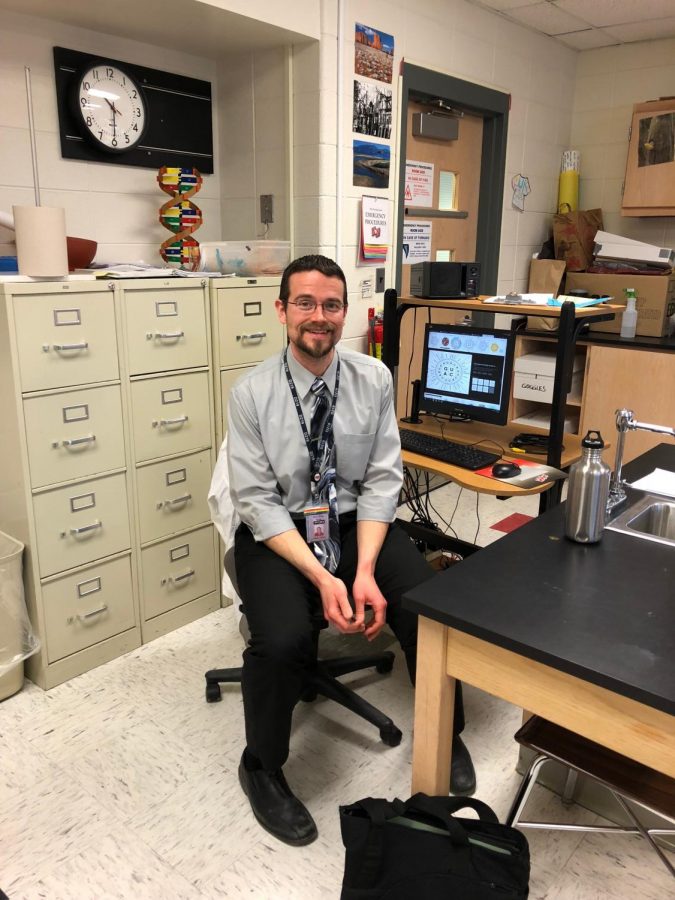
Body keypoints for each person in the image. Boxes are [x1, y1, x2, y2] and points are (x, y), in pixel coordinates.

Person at [225, 254, 475, 846]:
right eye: (305, 303)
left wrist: (362, 570)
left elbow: (383, 481)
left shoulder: (373, 379)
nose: (319, 317)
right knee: (282, 639)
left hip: (352, 522)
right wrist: (324, 579)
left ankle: (445, 730)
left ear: (344, 314)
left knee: (422, 603)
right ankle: (261, 764)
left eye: (331, 305)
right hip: (279, 533)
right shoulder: (250, 394)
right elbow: (257, 503)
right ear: (282, 310)